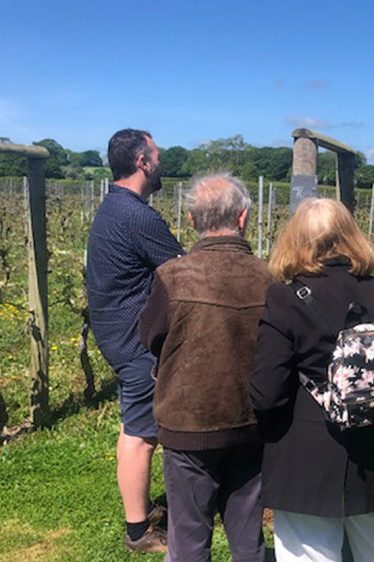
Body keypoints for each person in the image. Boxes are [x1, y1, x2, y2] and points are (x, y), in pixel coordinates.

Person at [250, 197, 374, 562]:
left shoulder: (285, 299)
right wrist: (372, 403)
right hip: (373, 452)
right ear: (352, 236)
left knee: (309, 554)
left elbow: (266, 394)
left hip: (303, 455)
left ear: (295, 240)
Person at [139, 174, 269, 562]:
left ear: (193, 220)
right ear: (244, 218)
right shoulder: (270, 277)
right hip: (250, 420)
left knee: (189, 536)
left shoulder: (172, 276)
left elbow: (150, 336)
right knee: (248, 532)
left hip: (188, 424)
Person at [86, 128, 183, 552]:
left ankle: (140, 511)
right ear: (143, 162)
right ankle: (138, 531)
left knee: (138, 429)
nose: (161, 161)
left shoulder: (115, 206)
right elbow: (181, 270)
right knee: (141, 434)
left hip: (118, 334)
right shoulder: (136, 215)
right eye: (157, 154)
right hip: (135, 341)